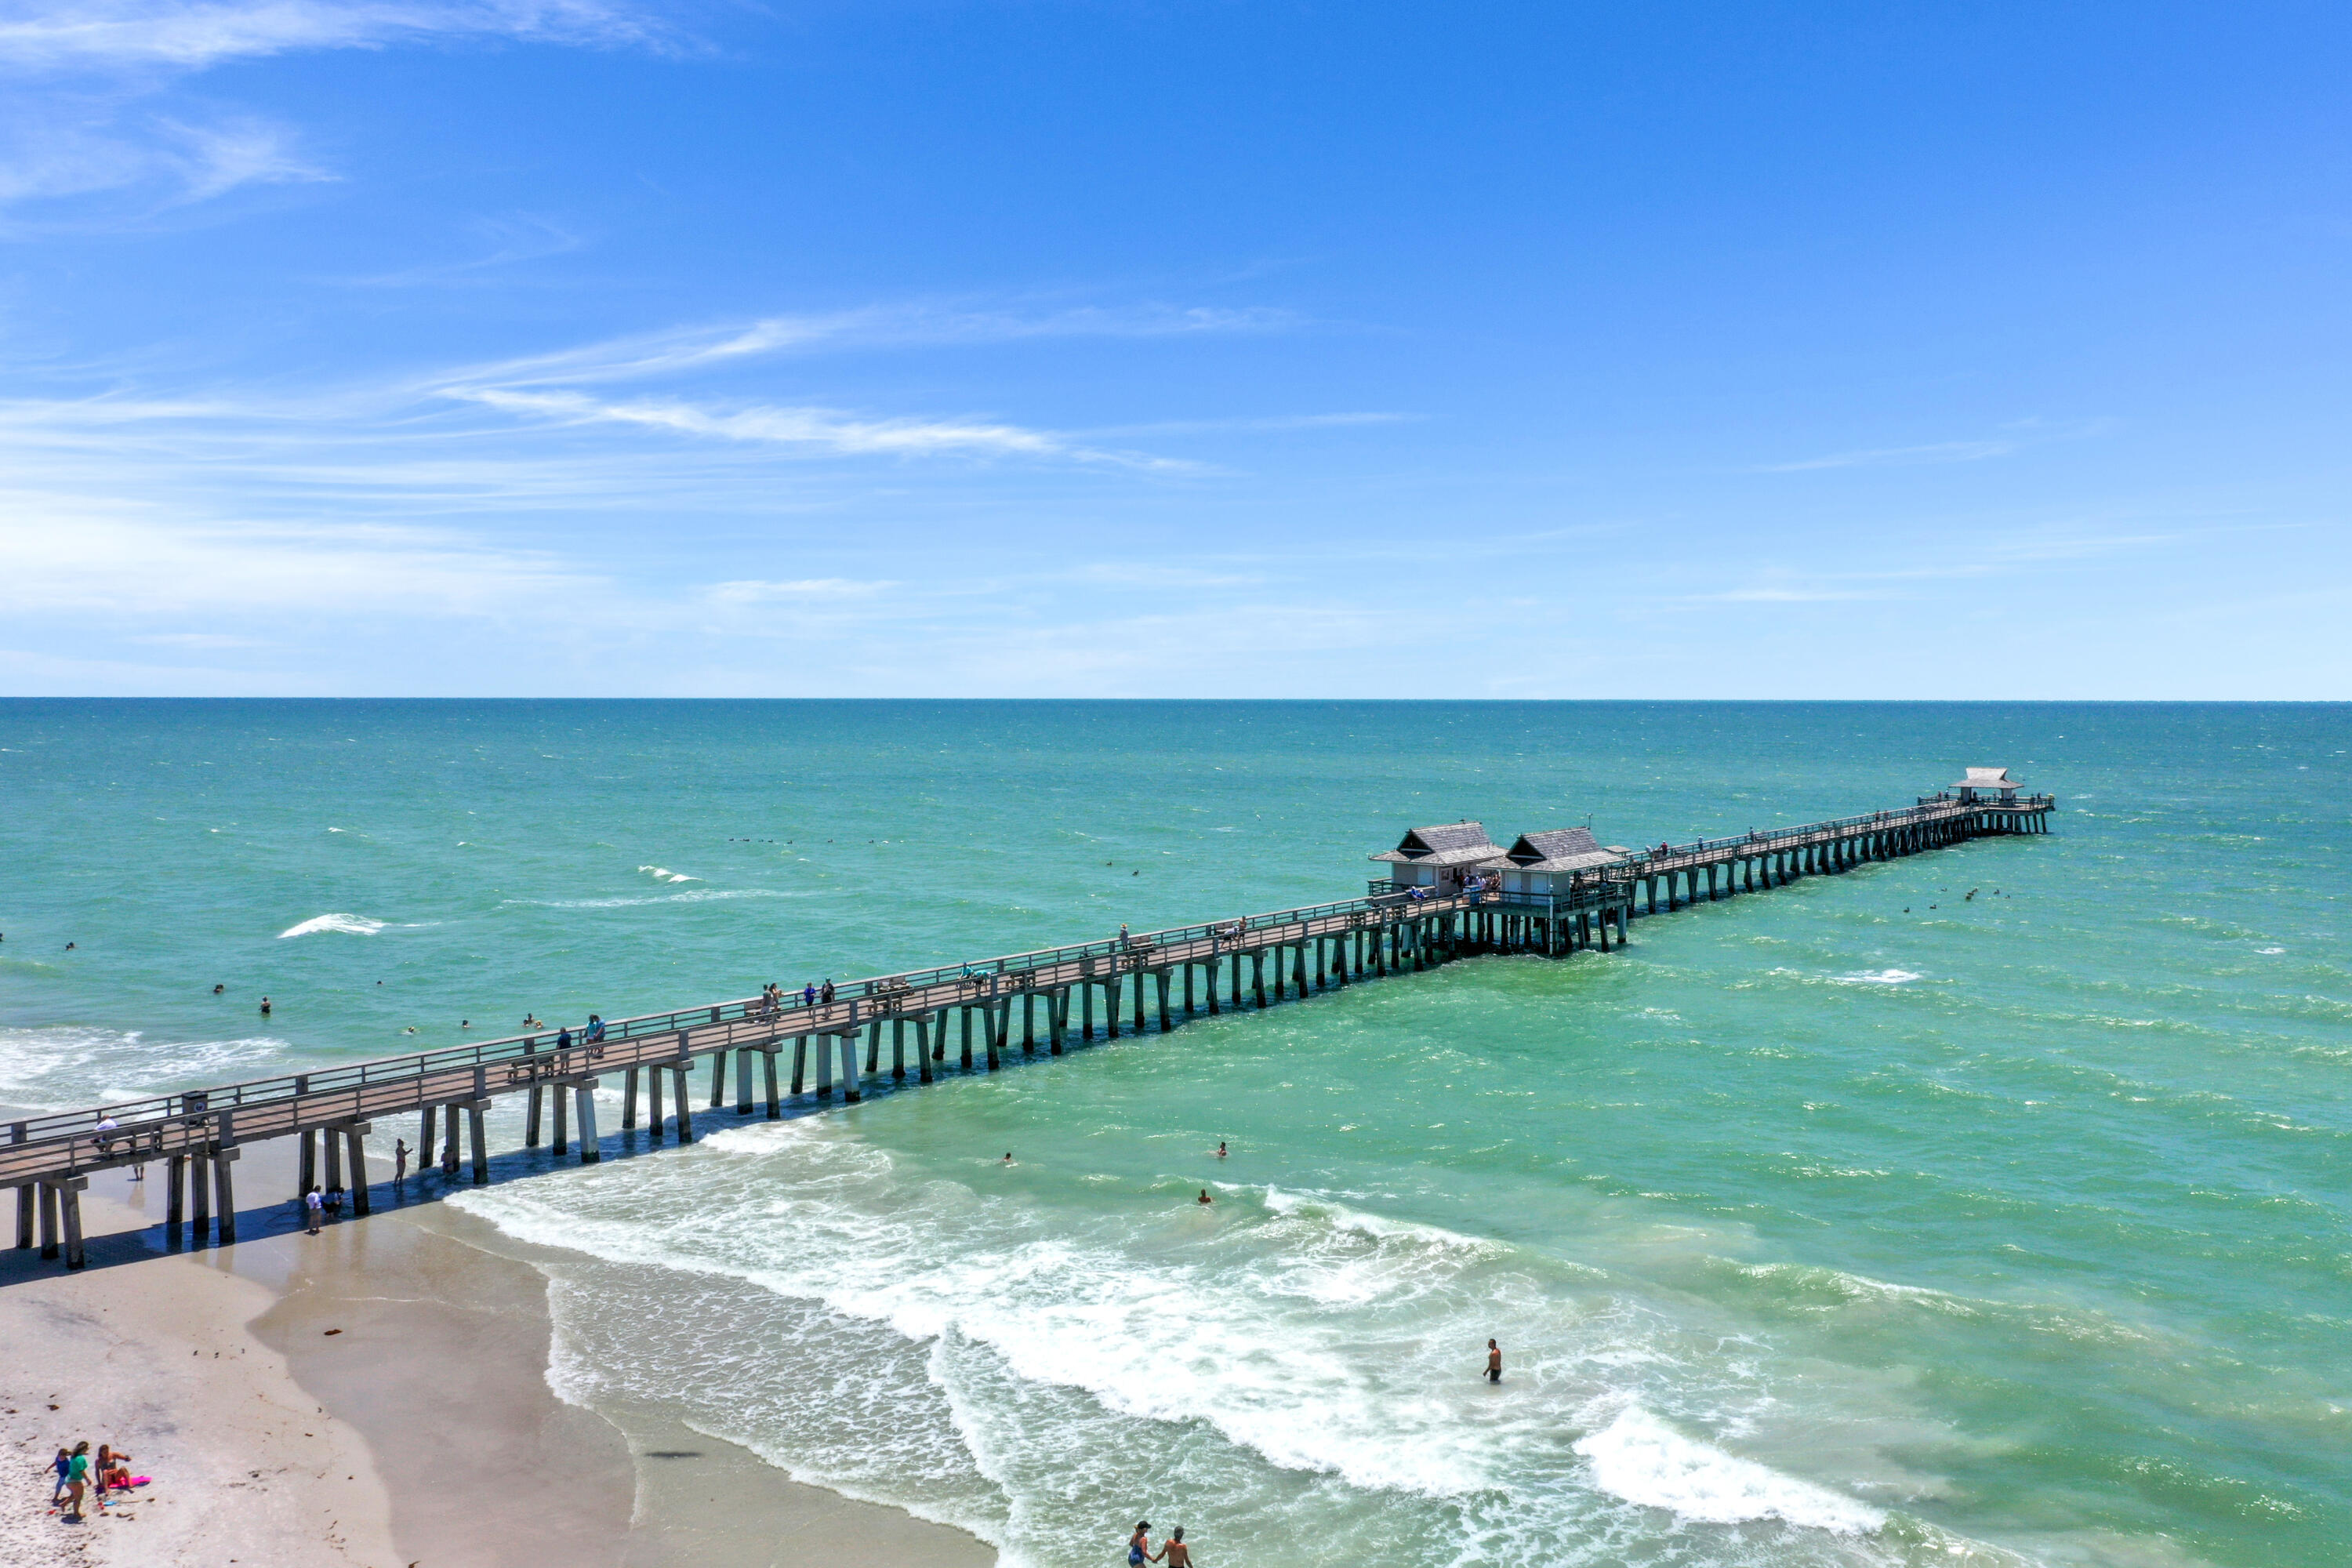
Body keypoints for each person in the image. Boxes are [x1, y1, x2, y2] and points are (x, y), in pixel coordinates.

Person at [63, 1440, 90, 1521]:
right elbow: (81, 1471)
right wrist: (87, 1479)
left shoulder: (73, 1456)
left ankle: (63, 1504)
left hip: (69, 1479)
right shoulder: (81, 1459)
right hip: (75, 1481)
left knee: (74, 1495)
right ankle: (76, 1514)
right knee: (78, 1498)